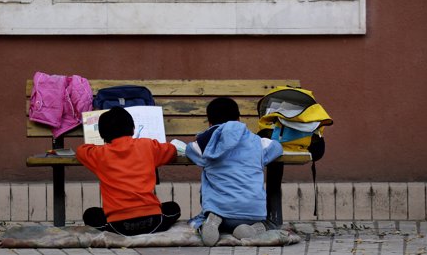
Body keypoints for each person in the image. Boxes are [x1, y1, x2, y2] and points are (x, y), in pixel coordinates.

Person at [185, 97, 283, 246]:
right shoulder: (256, 141)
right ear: (238, 119)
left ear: (210, 122)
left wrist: (200, 137)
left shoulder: (206, 142)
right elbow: (276, 148)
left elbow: (190, 150)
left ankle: (210, 222)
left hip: (220, 211)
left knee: (202, 219)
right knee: (264, 224)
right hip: (253, 212)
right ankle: (252, 230)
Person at [76, 107, 181, 236]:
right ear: (133, 128)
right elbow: (172, 150)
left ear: (102, 134)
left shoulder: (99, 154)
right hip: (153, 221)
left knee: (90, 214)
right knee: (173, 208)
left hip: (119, 226)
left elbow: (81, 150)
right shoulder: (147, 145)